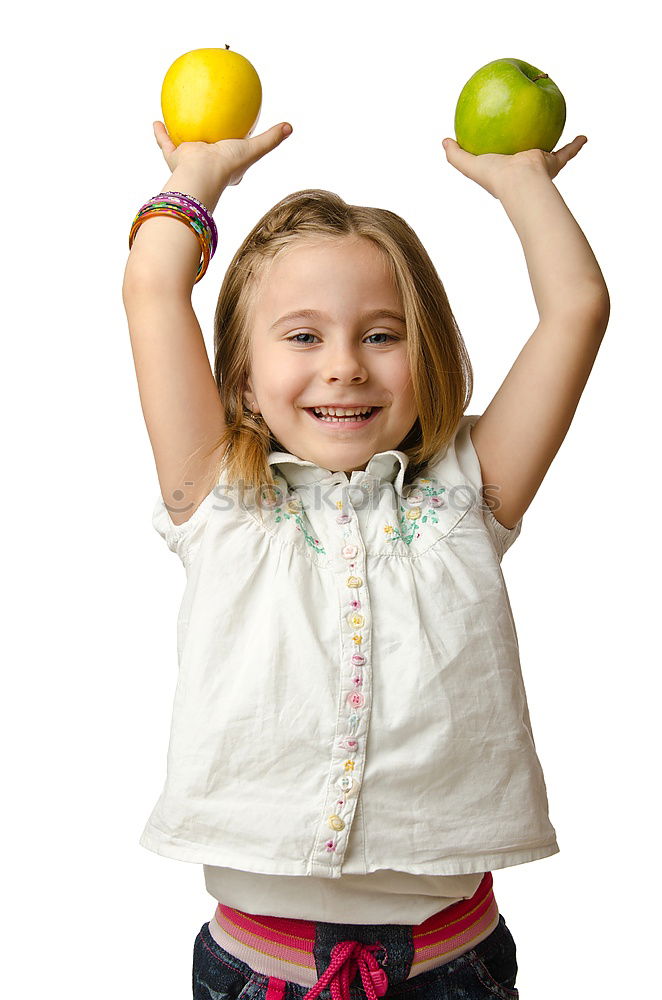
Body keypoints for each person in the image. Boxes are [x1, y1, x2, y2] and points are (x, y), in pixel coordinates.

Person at [122, 117, 610, 1000]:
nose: (343, 367)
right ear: (239, 375)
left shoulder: (470, 490)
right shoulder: (219, 500)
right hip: (255, 974)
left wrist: (523, 182)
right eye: (303, 337)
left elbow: (576, 308)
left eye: (381, 336)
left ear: (425, 357)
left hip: (452, 967)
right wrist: (199, 174)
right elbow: (154, 288)